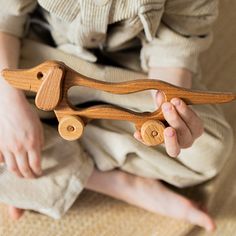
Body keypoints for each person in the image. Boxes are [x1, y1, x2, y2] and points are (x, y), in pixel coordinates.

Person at [0, 0, 233, 232]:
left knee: (209, 150)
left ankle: (41, 168)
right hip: (33, 54)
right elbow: (5, 21)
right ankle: (116, 184)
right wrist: (8, 104)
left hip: (131, 65)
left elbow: (174, 46)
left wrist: (166, 114)